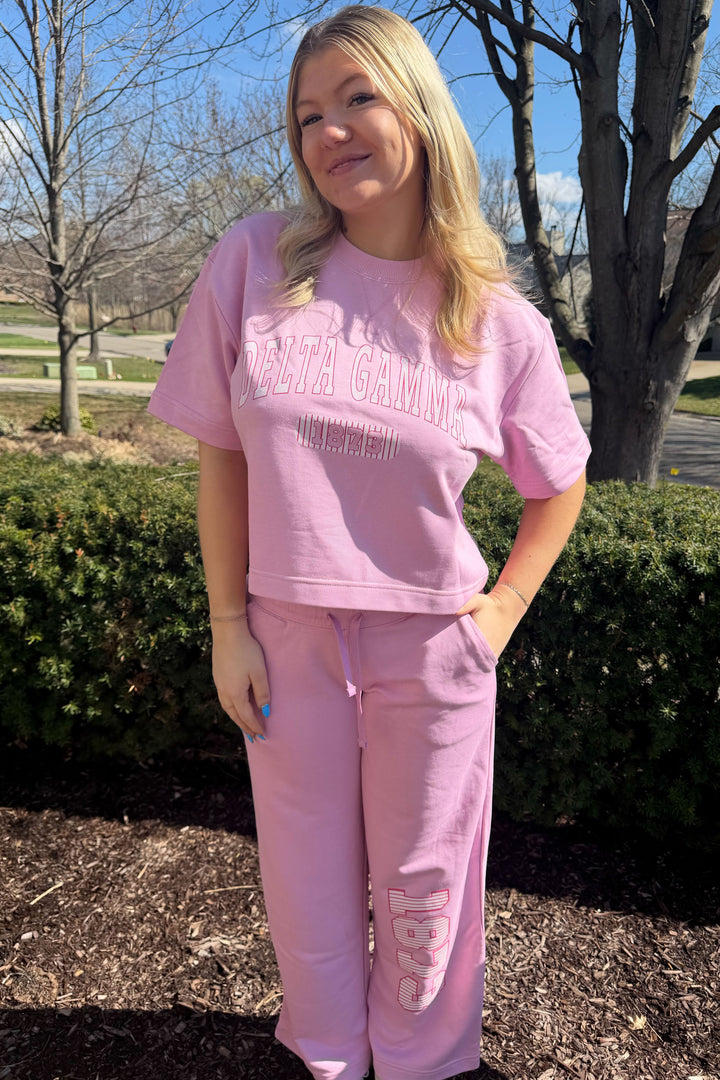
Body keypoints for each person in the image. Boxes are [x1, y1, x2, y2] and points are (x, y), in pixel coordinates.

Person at [148, 6, 590, 1079]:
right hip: (286, 641)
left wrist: (499, 615)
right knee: (305, 883)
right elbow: (223, 454)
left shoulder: (493, 320)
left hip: (433, 653)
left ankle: (424, 1063)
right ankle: (332, 1061)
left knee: (427, 889)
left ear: (420, 112)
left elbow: (560, 482)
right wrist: (227, 627)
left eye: (358, 97)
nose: (330, 129)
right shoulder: (254, 262)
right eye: (308, 115)